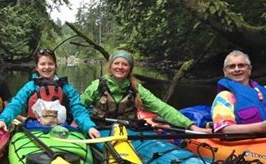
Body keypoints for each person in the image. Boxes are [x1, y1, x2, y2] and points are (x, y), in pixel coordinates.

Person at [81, 50, 209, 133]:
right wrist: (85, 125)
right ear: (111, 66)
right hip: (101, 128)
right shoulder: (97, 86)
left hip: (128, 129)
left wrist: (191, 126)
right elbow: (79, 107)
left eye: (125, 64)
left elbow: (162, 108)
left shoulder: (137, 89)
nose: (120, 67)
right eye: (117, 63)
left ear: (130, 68)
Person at [0, 48, 100, 138]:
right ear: (36, 67)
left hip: (62, 129)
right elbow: (16, 104)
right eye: (42, 64)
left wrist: (89, 127)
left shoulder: (67, 88)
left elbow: (79, 109)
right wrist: (3, 120)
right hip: (33, 128)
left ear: (55, 66)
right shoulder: (30, 87)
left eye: (50, 64)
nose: (47, 67)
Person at [212, 50, 266, 134]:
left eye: (241, 65)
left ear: (249, 69)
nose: (237, 69)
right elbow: (224, 129)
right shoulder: (224, 96)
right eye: (231, 66)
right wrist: (261, 127)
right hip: (247, 144)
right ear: (225, 71)